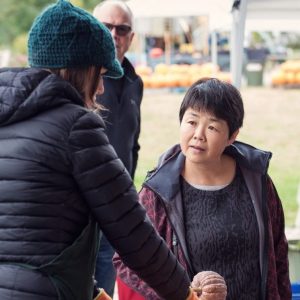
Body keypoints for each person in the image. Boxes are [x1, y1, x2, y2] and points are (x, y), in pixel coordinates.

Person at [0, 1, 225, 299]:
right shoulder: (76, 125)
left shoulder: (8, 117)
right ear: (82, 70)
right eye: (101, 73)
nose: (102, 88)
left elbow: (33, 243)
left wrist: (93, 293)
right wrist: (186, 295)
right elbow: (134, 234)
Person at [114, 77, 292, 299]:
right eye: (191, 122)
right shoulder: (158, 193)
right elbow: (126, 260)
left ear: (232, 136)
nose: (198, 134)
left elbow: (279, 254)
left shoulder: (258, 182)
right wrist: (181, 292)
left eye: (212, 127)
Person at [92, 1, 143, 297]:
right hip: (84, 208)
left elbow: (132, 142)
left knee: (105, 287)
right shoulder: (83, 78)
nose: (114, 34)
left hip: (118, 206)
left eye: (122, 29)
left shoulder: (136, 82)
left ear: (131, 37)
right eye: (106, 27)